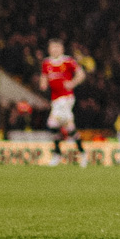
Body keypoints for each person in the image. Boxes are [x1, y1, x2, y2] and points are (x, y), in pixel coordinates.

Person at [40, 38, 86, 166]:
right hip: (55, 99)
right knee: (70, 128)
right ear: (49, 49)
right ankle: (82, 153)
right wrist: (43, 84)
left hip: (66, 98)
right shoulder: (46, 63)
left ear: (61, 49)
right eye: (52, 47)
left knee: (52, 123)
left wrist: (72, 83)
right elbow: (44, 77)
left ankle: (57, 154)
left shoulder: (68, 61)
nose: (54, 49)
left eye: (57, 47)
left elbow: (81, 74)